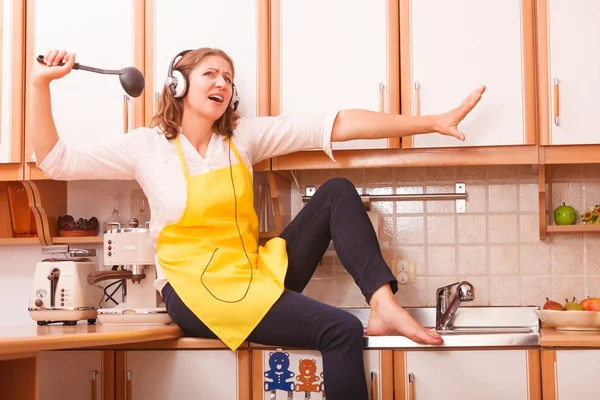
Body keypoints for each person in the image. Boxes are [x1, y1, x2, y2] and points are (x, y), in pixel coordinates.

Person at [30, 47, 485, 400]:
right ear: (178, 83)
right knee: (342, 330)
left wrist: (430, 121)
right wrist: (41, 84)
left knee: (336, 192)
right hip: (194, 291)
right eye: (210, 73)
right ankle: (373, 316)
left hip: (250, 274)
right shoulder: (146, 147)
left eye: (228, 77)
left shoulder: (241, 136)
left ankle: (383, 303)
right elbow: (54, 160)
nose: (222, 83)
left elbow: (332, 123)